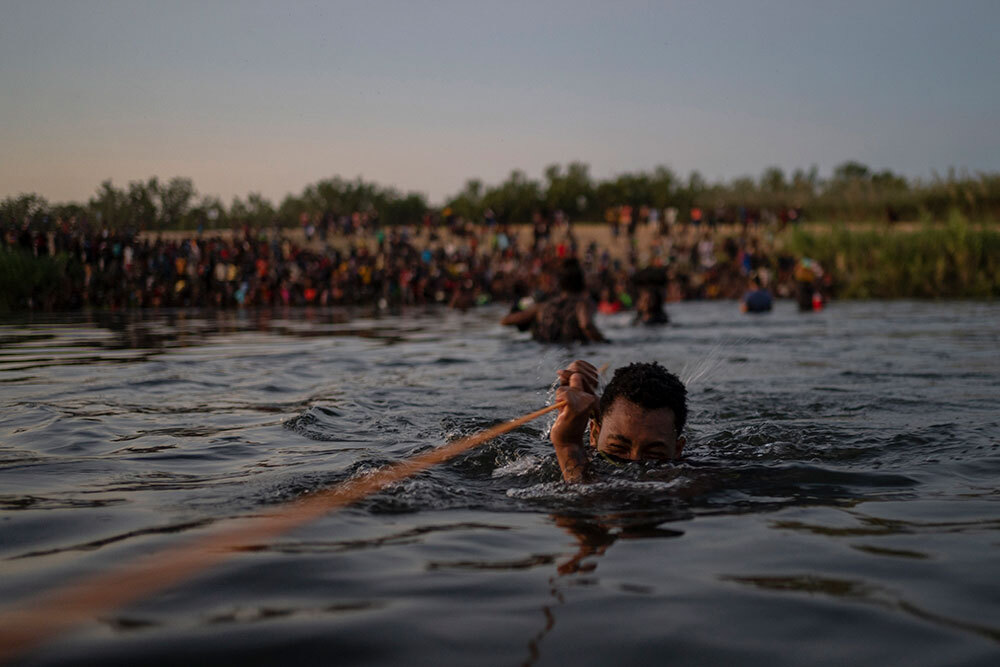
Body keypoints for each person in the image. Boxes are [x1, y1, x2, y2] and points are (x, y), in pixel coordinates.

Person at [550, 360, 688, 483]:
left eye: (653, 454)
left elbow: (587, 503)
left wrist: (567, 445)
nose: (634, 463)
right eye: (618, 448)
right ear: (594, 435)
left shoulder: (697, 477)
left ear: (677, 450)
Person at [501, 258, 606, 343]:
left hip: (543, 351)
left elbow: (506, 321)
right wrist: (604, 341)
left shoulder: (542, 307)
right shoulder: (583, 304)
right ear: (582, 283)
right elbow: (586, 325)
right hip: (573, 347)